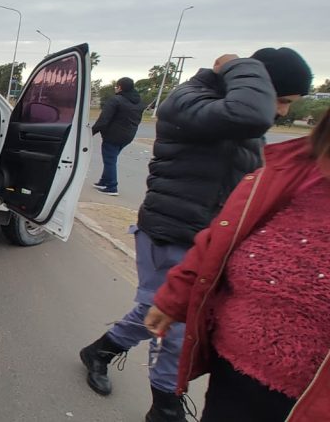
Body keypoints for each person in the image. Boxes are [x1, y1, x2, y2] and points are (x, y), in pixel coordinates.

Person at [78, 48, 312, 422]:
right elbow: (250, 113)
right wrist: (239, 65)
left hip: (207, 238)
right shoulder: (191, 100)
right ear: (255, 82)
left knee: (159, 311)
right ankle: (165, 407)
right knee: (173, 323)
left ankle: (101, 351)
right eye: (281, 99)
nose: (282, 112)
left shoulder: (230, 112)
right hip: (172, 231)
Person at [145, 110, 330, 422]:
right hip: (231, 369)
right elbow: (220, 238)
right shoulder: (289, 172)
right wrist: (175, 297)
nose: (283, 111)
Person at [92, 77, 146, 196]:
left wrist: (92, 132)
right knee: (112, 158)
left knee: (110, 160)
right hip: (128, 136)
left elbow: (104, 119)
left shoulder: (116, 100)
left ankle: (112, 187)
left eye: (116, 86)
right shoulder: (139, 102)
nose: (115, 88)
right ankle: (104, 181)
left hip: (112, 135)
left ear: (120, 87)